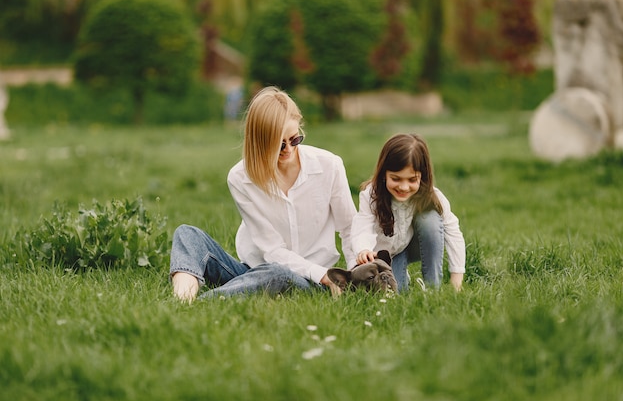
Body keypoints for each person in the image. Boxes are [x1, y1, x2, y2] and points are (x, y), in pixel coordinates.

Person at [169, 86, 356, 302]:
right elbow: (273, 250)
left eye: (295, 139)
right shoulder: (241, 177)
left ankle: (206, 302)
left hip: (314, 280)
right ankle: (182, 301)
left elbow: (349, 228)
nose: (288, 149)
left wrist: (350, 275)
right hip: (254, 270)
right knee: (187, 235)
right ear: (260, 142)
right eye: (278, 144)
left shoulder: (329, 166)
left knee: (278, 274)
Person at [351, 133, 465, 291]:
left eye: (412, 180)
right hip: (385, 256)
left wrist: (456, 282)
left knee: (430, 219)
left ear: (422, 176)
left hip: (411, 245)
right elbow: (363, 225)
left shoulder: (432, 196)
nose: (404, 187)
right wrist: (363, 249)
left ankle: (433, 288)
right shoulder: (371, 196)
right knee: (397, 292)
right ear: (384, 174)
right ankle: (402, 274)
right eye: (396, 179)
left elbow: (453, 233)